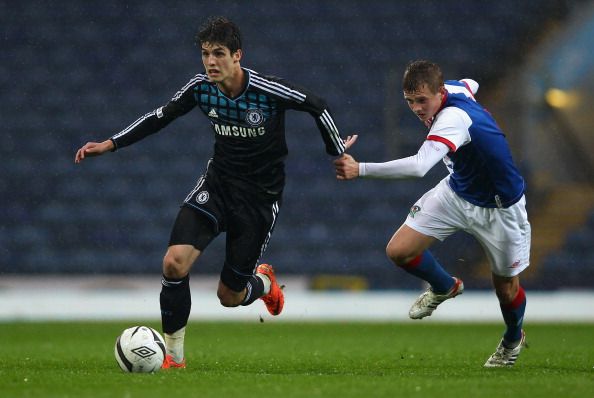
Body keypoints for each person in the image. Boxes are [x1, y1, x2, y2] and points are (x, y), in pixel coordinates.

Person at [75, 16, 353, 369]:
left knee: (230, 296)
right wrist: (111, 144)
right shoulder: (200, 88)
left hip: (258, 200)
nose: (210, 61)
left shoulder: (268, 91)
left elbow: (317, 104)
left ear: (237, 55)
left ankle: (264, 283)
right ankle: (174, 358)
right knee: (173, 263)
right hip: (217, 185)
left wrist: (337, 152)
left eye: (218, 53)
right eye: (205, 54)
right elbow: (160, 116)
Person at [334, 60, 530, 367]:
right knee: (399, 251)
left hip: (500, 208)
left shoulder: (451, 118)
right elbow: (470, 83)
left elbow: (419, 166)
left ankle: (513, 337)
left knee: (506, 289)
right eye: (410, 101)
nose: (416, 108)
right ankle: (444, 286)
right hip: (457, 192)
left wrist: (360, 169)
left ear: (440, 93)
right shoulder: (455, 89)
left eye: (422, 100)